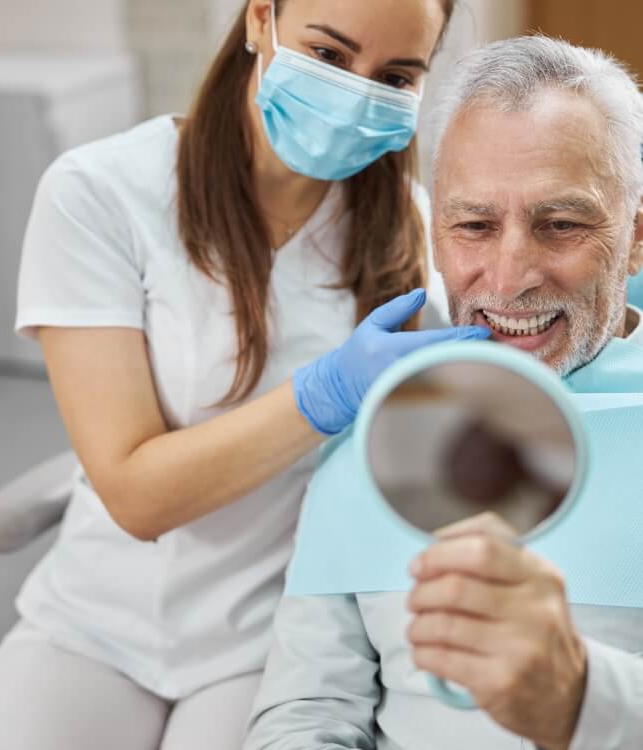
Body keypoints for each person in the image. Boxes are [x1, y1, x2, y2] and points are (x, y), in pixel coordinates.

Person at [0, 1, 492, 749]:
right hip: (94, 622)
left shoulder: (411, 229)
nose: (356, 93)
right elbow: (136, 496)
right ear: (259, 20)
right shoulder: (101, 194)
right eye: (330, 56)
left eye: (395, 76)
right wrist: (326, 393)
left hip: (272, 635)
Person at [244, 36, 643, 750]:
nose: (509, 275)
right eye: (474, 226)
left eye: (561, 225)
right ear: (436, 236)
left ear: (637, 237)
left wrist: (583, 699)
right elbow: (307, 710)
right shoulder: (372, 439)